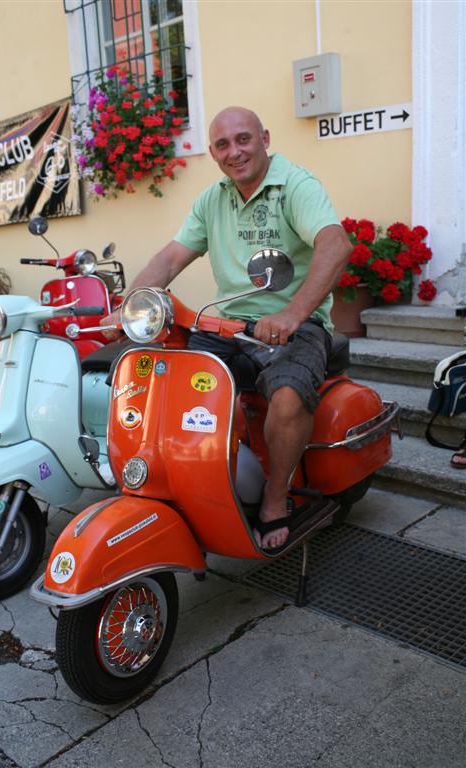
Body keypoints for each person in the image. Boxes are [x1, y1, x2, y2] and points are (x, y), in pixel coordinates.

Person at [103, 106, 353, 551]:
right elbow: (170, 259)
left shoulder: (295, 184)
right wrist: (128, 309)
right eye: (223, 144)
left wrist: (293, 314)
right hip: (224, 322)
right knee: (164, 381)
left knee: (289, 394)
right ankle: (192, 475)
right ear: (213, 154)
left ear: (264, 138)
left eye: (243, 139)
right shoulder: (212, 199)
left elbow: (334, 243)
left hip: (292, 326)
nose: (234, 152)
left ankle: (275, 498)